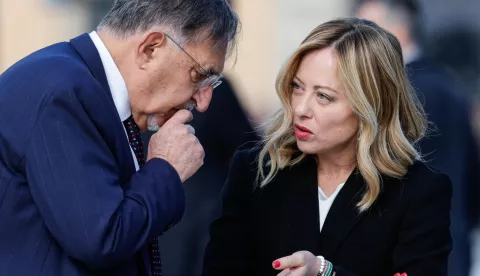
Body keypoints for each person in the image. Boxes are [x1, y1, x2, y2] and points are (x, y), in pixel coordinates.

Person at [0, 0, 239, 275]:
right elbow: (102, 239)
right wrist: (166, 168)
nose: (203, 102)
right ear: (151, 49)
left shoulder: (78, 83)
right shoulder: (64, 92)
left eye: (213, 84)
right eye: (200, 76)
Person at [203, 18, 452, 276]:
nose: (300, 109)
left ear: (370, 105)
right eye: (297, 87)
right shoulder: (256, 171)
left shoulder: (420, 191)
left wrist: (326, 272)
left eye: (323, 96)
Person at [355, 1, 480, 275]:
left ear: (398, 30)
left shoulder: (392, 92)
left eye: (367, 31)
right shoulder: (451, 86)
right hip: (451, 245)